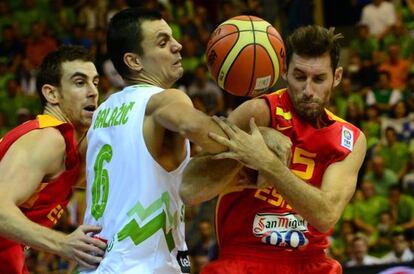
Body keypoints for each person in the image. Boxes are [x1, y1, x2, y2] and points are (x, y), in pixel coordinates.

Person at [80, 8, 291, 274]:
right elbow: (197, 127)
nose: (177, 46)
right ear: (134, 61)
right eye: (163, 41)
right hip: (142, 266)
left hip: (96, 265)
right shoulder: (165, 99)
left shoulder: (103, 112)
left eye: (173, 38)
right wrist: (260, 138)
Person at [181, 25, 367, 273]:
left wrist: (266, 162)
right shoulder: (258, 112)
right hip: (244, 257)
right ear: (284, 72)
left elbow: (325, 215)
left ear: (337, 76)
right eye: (299, 76)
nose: (308, 90)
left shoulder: (350, 139)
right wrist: (247, 146)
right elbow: (190, 189)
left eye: (319, 79)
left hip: (311, 264)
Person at [0, 46, 106, 274]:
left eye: (95, 83)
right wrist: (63, 243)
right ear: (52, 94)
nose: (93, 92)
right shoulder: (48, 139)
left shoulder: (67, 148)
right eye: (80, 82)